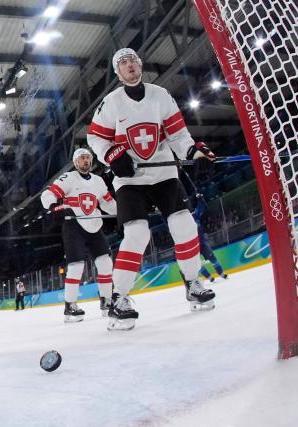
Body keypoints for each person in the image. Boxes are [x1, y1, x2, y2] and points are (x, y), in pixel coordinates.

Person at [87, 47, 217, 330]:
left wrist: (194, 150)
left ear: (140, 64)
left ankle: (192, 283)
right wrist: (112, 156)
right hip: (130, 181)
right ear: (117, 72)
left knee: (184, 224)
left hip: (164, 173)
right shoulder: (110, 102)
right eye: (122, 62)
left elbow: (178, 133)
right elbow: (96, 138)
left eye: (133, 60)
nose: (129, 65)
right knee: (136, 234)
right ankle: (118, 299)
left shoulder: (161, 95)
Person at [41, 148, 117, 322]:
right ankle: (70, 306)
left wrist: (125, 210)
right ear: (76, 162)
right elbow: (48, 195)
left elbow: (108, 203)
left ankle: (107, 301)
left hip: (94, 224)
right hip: (73, 224)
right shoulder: (68, 178)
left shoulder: (98, 181)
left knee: (105, 262)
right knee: (76, 266)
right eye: (82, 158)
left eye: (88, 158)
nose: (86, 161)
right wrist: (54, 206)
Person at [191, 193, 228, 282]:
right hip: (193, 246)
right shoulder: (183, 222)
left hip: (202, 243)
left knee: (212, 258)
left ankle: (221, 273)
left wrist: (200, 198)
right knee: (197, 264)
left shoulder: (194, 215)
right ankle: (208, 277)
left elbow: (202, 207)